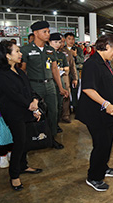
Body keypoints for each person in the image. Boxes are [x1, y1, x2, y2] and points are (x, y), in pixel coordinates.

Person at [76, 35, 113, 192]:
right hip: (96, 113)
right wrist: (106, 103)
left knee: (107, 143)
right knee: (101, 145)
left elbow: (107, 82)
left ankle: (103, 167)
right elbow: (88, 88)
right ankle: (94, 177)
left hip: (109, 114)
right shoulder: (91, 64)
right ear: (106, 46)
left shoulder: (104, 62)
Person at [0, 40, 43, 191]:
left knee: (25, 141)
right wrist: (32, 106)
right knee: (19, 143)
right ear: (7, 55)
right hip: (14, 113)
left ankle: (23, 166)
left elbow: (29, 89)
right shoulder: (1, 75)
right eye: (17, 51)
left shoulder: (19, 71)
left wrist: (35, 100)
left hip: (26, 109)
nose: (21, 54)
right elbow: (14, 96)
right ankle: (14, 175)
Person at [20, 21, 68, 149]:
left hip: (50, 85)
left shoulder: (50, 50)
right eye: (44, 32)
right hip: (34, 86)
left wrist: (61, 87)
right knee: (34, 113)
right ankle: (33, 139)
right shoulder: (25, 50)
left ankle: (51, 138)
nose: (48, 34)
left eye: (48, 31)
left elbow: (54, 70)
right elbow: (22, 72)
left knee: (53, 112)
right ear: (35, 33)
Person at [49, 33, 69, 133]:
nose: (58, 44)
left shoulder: (61, 54)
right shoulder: (47, 53)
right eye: (55, 42)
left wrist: (61, 69)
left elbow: (67, 67)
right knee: (51, 106)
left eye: (59, 42)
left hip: (59, 80)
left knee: (59, 105)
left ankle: (56, 124)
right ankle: (50, 127)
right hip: (49, 81)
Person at [60, 36, 78, 123]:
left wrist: (75, 78)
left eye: (63, 42)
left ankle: (66, 115)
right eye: (60, 42)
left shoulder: (67, 52)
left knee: (66, 95)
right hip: (52, 78)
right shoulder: (49, 52)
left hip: (65, 77)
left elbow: (72, 66)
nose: (62, 44)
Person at [64, 32, 84, 112]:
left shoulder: (78, 49)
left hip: (75, 73)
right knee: (66, 92)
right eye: (69, 39)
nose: (71, 41)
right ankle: (66, 109)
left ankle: (75, 108)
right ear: (65, 40)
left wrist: (75, 55)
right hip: (65, 74)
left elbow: (82, 60)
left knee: (75, 91)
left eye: (73, 39)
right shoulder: (63, 49)